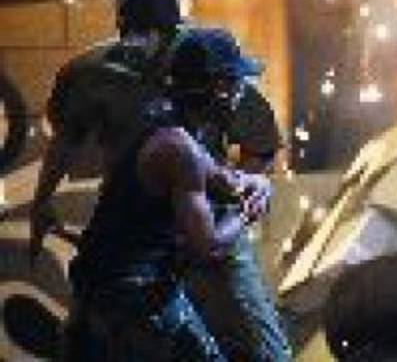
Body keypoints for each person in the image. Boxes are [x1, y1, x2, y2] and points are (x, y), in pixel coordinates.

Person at [31, 0, 292, 361]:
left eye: (152, 33)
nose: (141, 45)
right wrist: (42, 202)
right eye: (133, 33)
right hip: (147, 245)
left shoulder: (207, 65)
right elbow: (68, 139)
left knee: (262, 347)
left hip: (202, 220)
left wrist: (249, 185)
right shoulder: (99, 78)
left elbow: (253, 149)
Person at [61, 27, 269, 361]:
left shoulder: (166, 125)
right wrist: (247, 213)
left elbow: (218, 178)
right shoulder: (178, 148)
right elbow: (208, 247)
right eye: (236, 82)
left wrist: (254, 181)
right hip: (130, 304)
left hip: (110, 295)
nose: (242, 91)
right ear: (219, 88)